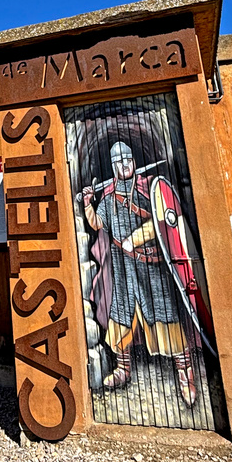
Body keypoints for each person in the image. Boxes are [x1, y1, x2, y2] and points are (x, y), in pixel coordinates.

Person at [81, 140, 198, 405]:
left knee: (165, 316)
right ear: (113, 166)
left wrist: (135, 238)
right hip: (123, 269)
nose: (125, 165)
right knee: (121, 316)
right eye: (120, 162)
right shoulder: (109, 198)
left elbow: (162, 220)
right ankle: (123, 369)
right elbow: (98, 224)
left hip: (150, 267)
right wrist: (89, 203)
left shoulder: (149, 191)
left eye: (128, 160)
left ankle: (185, 373)